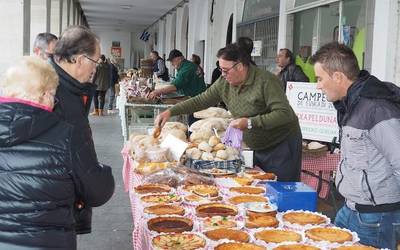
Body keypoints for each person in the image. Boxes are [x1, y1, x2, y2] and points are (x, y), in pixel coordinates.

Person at [0, 56, 112, 249]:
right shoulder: (65, 136)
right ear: (44, 94)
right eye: (53, 95)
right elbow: (98, 192)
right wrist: (102, 170)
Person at [155, 44, 302, 181]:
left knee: (282, 190)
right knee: (260, 188)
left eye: (226, 70)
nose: (223, 75)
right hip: (256, 146)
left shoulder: (266, 81)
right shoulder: (224, 82)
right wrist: (170, 112)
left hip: (281, 144)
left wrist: (250, 122)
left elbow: (284, 113)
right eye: (221, 70)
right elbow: (200, 100)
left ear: (240, 66)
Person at [310, 42, 400, 249]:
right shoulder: (350, 104)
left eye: (320, 78)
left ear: (338, 77)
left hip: (377, 218)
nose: (318, 85)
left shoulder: (377, 109)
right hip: (350, 209)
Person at [49, 25, 115, 235]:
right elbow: (95, 189)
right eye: (95, 62)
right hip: (51, 216)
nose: (95, 69)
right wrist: (105, 174)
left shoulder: (50, 83)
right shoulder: (63, 100)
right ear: (79, 60)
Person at [149, 49, 207, 125]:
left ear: (179, 59)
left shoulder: (186, 69)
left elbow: (174, 86)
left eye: (173, 61)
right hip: (199, 97)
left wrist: (157, 91)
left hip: (196, 100)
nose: (172, 64)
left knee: (194, 125)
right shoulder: (190, 65)